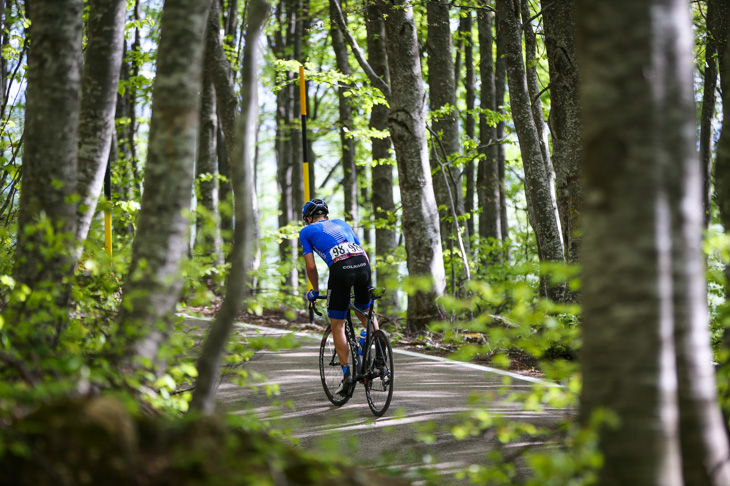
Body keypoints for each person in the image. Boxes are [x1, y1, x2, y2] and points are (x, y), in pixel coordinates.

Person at [299, 198, 379, 396]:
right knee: (366, 310)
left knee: (338, 324)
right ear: (326, 216)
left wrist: (315, 291)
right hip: (363, 266)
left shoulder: (306, 231)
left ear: (308, 218)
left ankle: (347, 376)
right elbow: (365, 255)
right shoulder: (342, 223)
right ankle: (377, 351)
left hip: (341, 270)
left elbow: (310, 267)